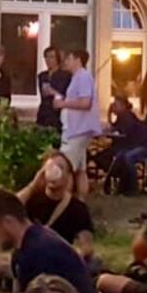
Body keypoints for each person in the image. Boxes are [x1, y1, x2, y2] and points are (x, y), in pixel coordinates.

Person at [0, 150, 95, 282]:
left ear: (68, 176)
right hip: (29, 258)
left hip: (56, 260)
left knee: (92, 264)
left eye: (60, 168)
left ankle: (26, 278)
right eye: (50, 167)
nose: (54, 172)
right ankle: (29, 276)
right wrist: (33, 184)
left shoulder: (77, 207)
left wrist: (69, 257)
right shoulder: (32, 198)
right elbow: (6, 209)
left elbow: (87, 246)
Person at [56, 46, 100, 193]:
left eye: (69, 58)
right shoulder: (77, 77)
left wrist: (63, 103)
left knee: (65, 167)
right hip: (76, 128)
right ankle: (80, 200)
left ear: (78, 60)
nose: (66, 61)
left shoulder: (83, 77)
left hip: (77, 130)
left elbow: (85, 102)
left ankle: (64, 199)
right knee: (80, 169)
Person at [105, 94, 147, 194]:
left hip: (143, 147)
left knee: (128, 157)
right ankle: (121, 185)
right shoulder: (121, 117)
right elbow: (114, 128)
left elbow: (123, 132)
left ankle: (133, 187)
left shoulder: (128, 116)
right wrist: (109, 114)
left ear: (123, 105)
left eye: (116, 105)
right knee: (120, 155)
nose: (114, 107)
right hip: (133, 146)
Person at [35, 46, 67, 133]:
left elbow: (66, 96)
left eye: (52, 57)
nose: (48, 60)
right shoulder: (42, 76)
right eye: (47, 57)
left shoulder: (65, 76)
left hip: (57, 114)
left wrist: (54, 92)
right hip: (43, 113)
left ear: (57, 59)